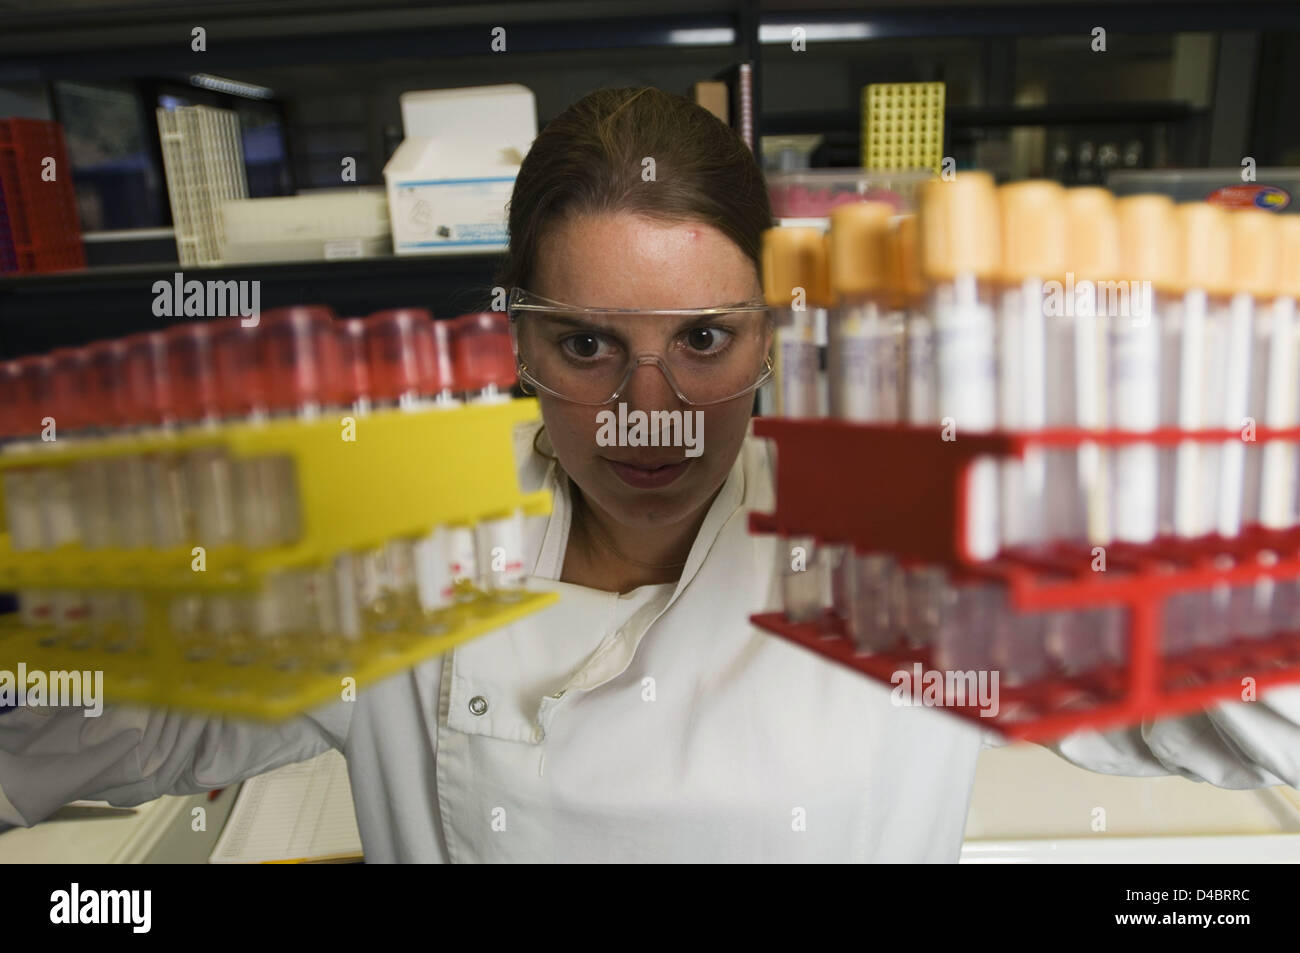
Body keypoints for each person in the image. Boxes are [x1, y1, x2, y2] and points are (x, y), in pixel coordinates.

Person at [2, 87, 1298, 863]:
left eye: (703, 341)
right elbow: (138, 719)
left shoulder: (900, 533)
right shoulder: (400, 531)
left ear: (772, 330)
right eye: (586, 344)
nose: (650, 411)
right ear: (512, 335)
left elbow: (1247, 713)